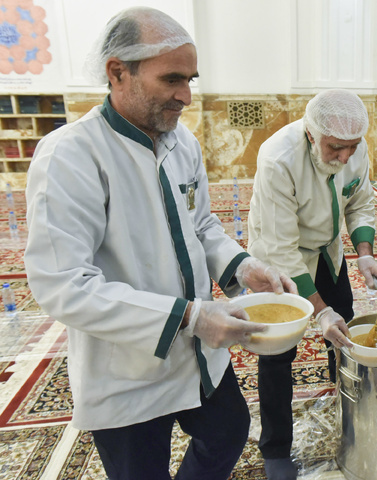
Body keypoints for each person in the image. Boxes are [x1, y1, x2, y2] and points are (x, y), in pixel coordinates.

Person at [23, 7, 297, 480]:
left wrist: (243, 267)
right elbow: (63, 284)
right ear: (117, 72)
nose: (186, 96)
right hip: (127, 366)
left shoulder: (181, 141)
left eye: (190, 79)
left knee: (229, 432)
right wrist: (188, 316)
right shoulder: (72, 155)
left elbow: (203, 225)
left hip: (199, 347)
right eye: (172, 79)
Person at [247, 89, 377, 479]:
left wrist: (364, 252)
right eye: (335, 148)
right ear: (312, 135)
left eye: (352, 148)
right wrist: (319, 310)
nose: (345, 157)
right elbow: (280, 248)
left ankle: (345, 403)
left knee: (344, 331)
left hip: (328, 251)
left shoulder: (354, 148)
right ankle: (275, 447)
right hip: (278, 258)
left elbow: (360, 201)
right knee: (276, 352)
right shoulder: (279, 158)